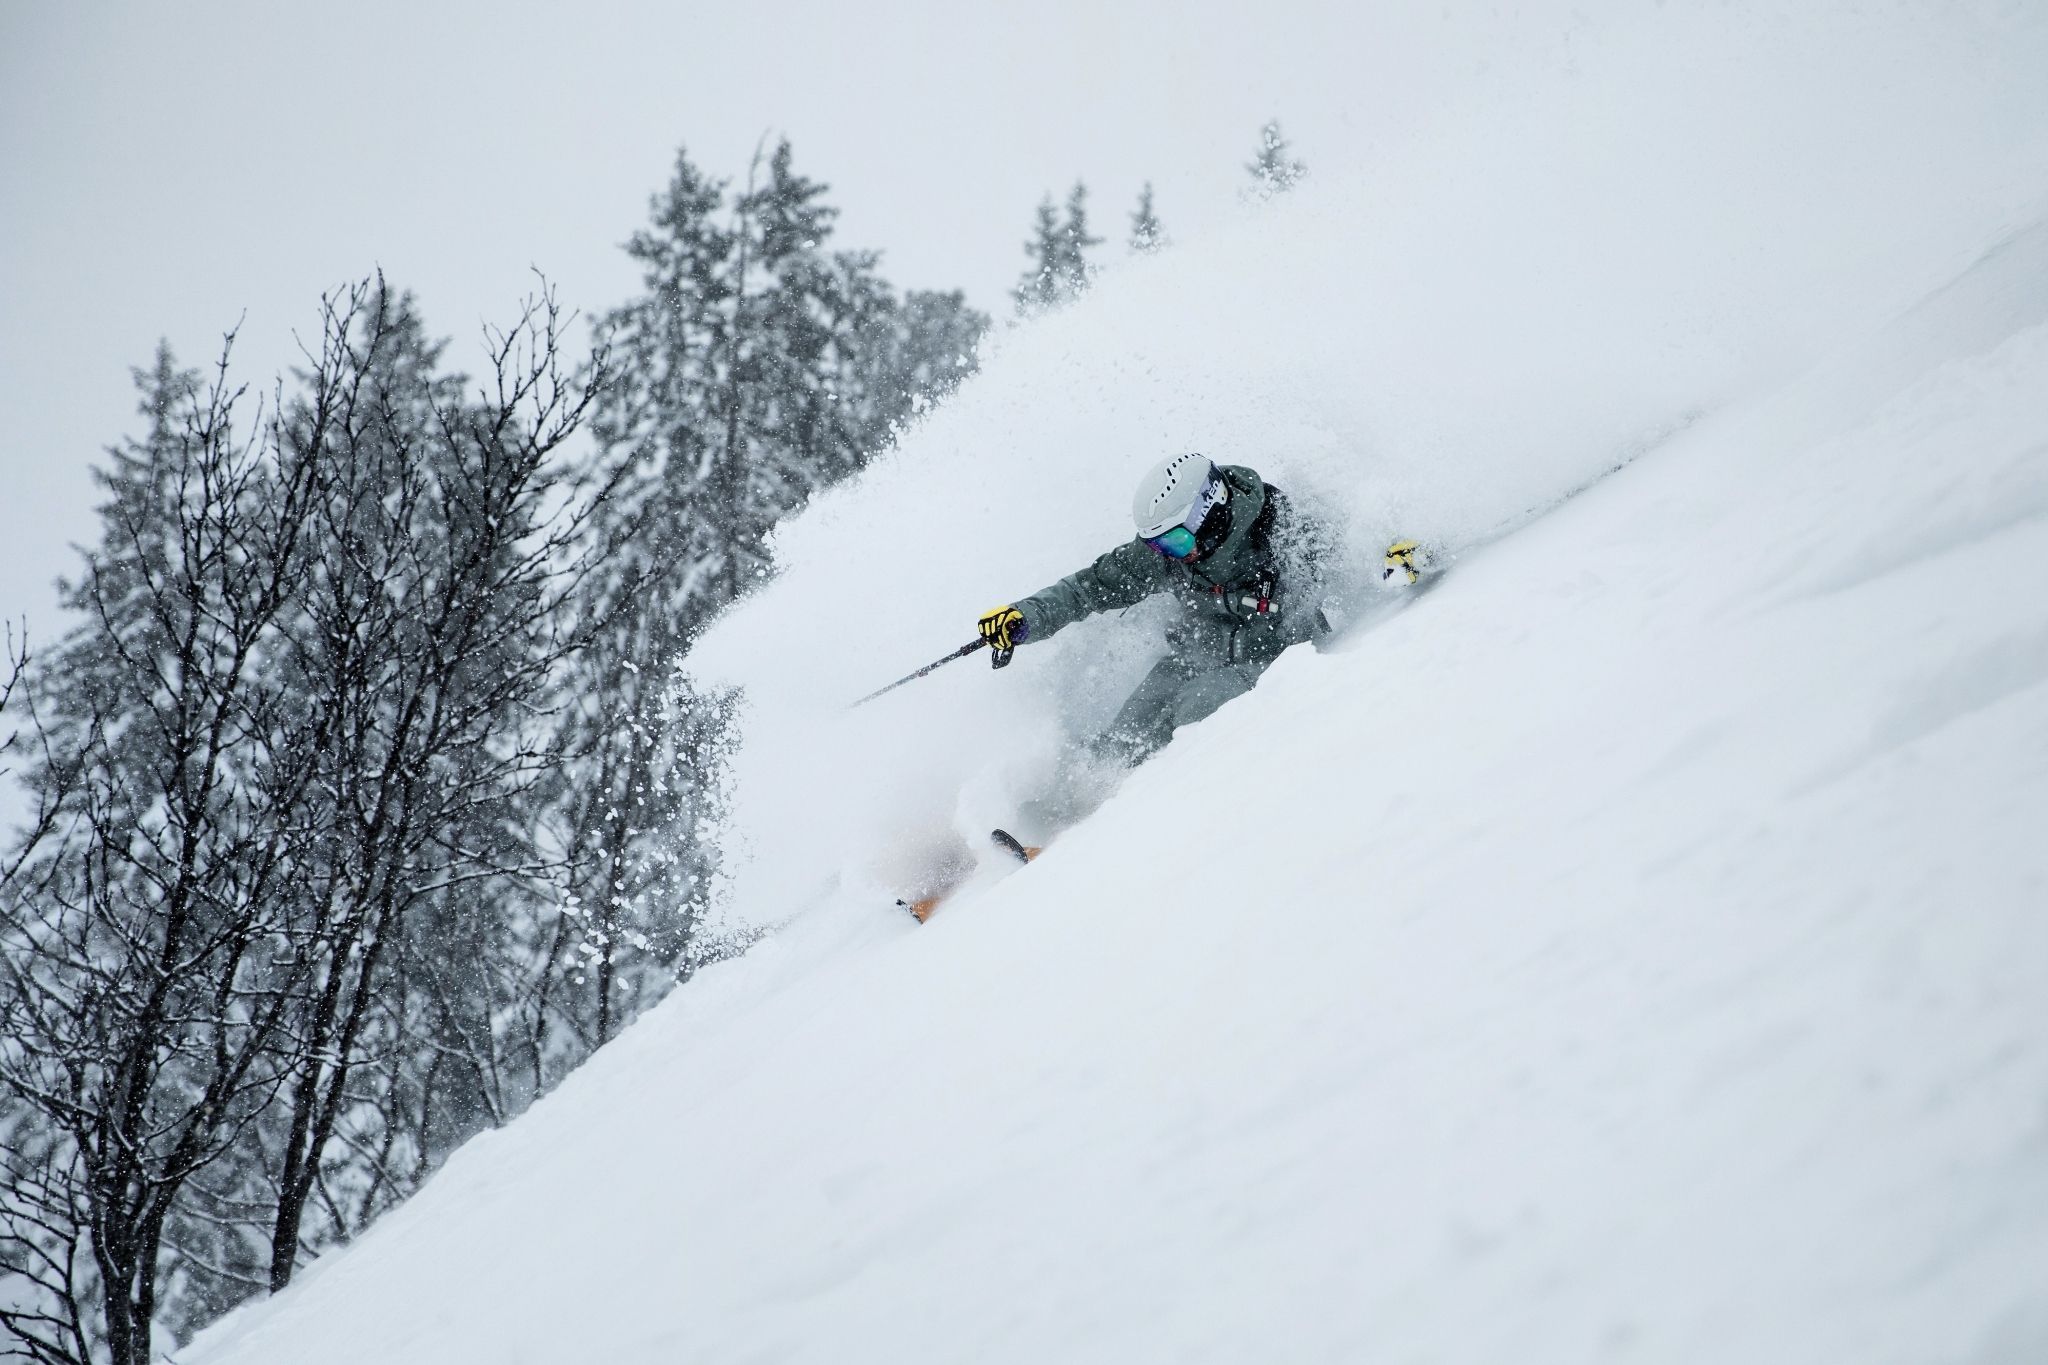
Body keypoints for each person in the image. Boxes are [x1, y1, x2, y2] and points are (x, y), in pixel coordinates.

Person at [978, 454, 1396, 832]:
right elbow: (1089, 588)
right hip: (1194, 659)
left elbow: (1356, 552)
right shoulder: (1169, 554)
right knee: (1125, 732)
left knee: (1195, 709)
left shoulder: (1282, 527)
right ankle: (1044, 824)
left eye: (1176, 541)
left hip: (1277, 667)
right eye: (1158, 545)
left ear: (1210, 512)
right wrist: (1025, 617)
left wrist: (1397, 555)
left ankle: (1123, 827)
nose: (1170, 555)